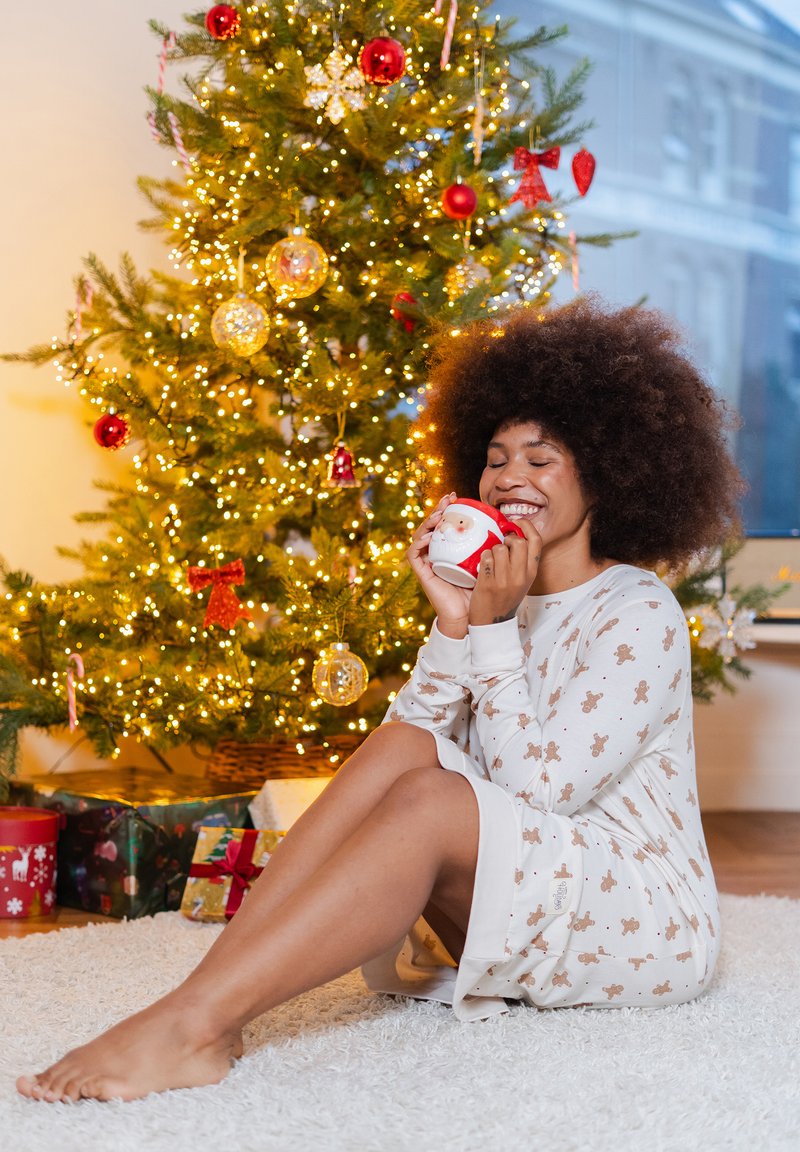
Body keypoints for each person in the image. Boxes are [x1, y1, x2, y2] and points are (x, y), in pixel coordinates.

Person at [18, 296, 744, 1103]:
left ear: (607, 475)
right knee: (407, 754)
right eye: (496, 457)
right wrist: (456, 620)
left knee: (434, 799)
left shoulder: (637, 609)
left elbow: (540, 794)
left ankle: (192, 1025)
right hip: (527, 896)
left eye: (541, 459)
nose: (509, 477)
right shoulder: (498, 601)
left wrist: (492, 632)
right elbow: (408, 746)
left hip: (641, 920)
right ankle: (204, 1005)